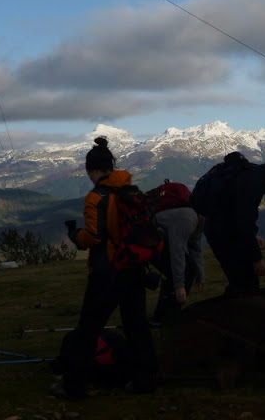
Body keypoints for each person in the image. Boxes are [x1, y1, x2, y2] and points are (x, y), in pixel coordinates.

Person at [51, 137, 158, 399]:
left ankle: (73, 385)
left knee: (88, 329)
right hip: (133, 267)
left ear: (92, 170)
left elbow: (95, 237)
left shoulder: (96, 197)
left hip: (107, 272)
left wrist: (76, 237)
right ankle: (146, 380)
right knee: (136, 325)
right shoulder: (130, 189)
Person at [203, 151, 265, 298]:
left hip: (218, 230)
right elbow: (244, 221)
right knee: (247, 286)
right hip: (222, 234)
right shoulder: (254, 181)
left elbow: (238, 212)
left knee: (241, 283)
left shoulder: (255, 175)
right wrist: (257, 258)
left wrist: (253, 235)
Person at [152, 207, 205, 323]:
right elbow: (177, 250)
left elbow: (195, 249)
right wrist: (179, 286)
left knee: (188, 268)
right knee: (179, 271)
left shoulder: (197, 221)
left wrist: (200, 276)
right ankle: (165, 316)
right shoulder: (189, 220)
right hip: (149, 239)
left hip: (158, 240)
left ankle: (167, 314)